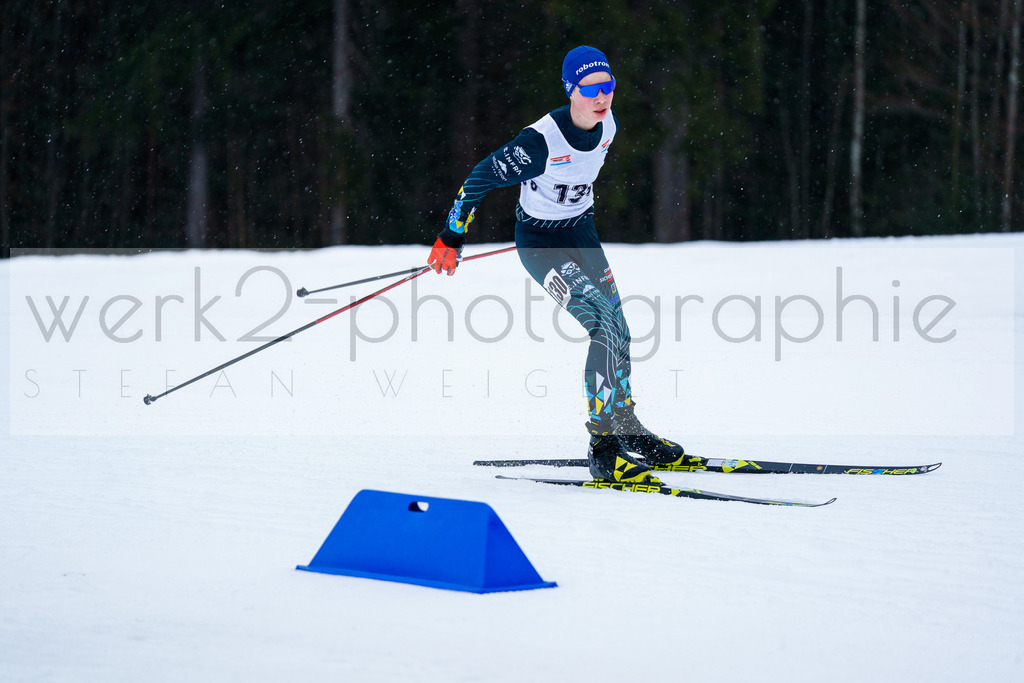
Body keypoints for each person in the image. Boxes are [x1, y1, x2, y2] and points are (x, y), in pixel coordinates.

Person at [428, 46, 688, 485]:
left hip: (581, 234)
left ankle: (626, 427)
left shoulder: (609, 124)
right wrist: (452, 234)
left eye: (607, 86)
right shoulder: (539, 143)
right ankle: (603, 447)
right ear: (571, 90)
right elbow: (478, 178)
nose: (601, 97)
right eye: (589, 89)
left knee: (621, 330)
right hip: (541, 244)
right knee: (603, 328)